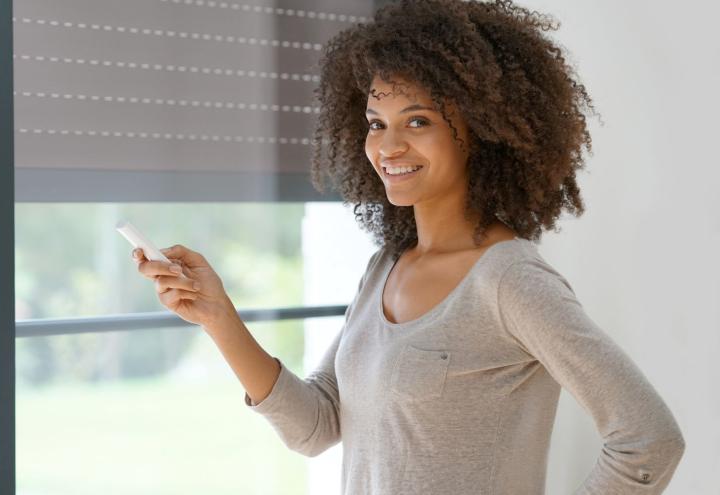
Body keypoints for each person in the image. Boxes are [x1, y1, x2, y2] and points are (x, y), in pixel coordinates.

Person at [130, 0, 686, 493]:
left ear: (482, 129)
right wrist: (218, 316)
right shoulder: (385, 267)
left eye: (417, 121)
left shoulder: (510, 280)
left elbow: (649, 439)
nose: (388, 146)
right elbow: (315, 427)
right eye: (377, 123)